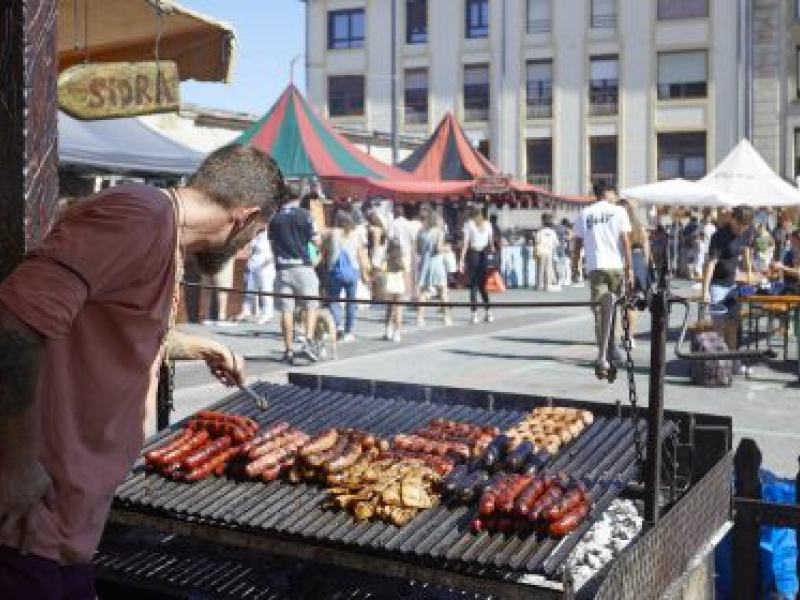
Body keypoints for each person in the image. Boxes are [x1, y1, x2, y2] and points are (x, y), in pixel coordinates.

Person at [0, 144, 284, 598]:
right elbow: (13, 321)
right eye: (257, 234)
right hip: (32, 516)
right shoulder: (138, 217)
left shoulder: (161, 234)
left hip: (71, 517)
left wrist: (192, 345)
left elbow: (101, 328)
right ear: (244, 217)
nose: (249, 246)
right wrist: (15, 463)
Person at [572, 182, 633, 371]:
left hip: (596, 266)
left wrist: (575, 265)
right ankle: (610, 348)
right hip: (616, 266)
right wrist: (629, 268)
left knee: (600, 311)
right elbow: (626, 241)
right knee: (614, 308)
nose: (615, 195)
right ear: (606, 192)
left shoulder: (585, 213)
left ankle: (604, 350)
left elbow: (578, 243)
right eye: (613, 192)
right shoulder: (619, 212)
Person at [269, 189, 322, 365]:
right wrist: (316, 254)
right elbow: (316, 241)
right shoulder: (305, 215)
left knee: (286, 310)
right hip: (303, 266)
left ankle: (288, 350)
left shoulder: (274, 219)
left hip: (283, 268)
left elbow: (272, 245)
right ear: (297, 198)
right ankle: (307, 342)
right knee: (310, 305)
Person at [702, 205, 755, 373]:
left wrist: (749, 274)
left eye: (745, 226)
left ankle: (734, 363)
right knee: (719, 327)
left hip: (732, 285)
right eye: (740, 225)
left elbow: (746, 251)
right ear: (733, 219)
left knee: (733, 325)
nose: (742, 229)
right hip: (718, 285)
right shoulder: (719, 236)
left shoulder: (746, 232)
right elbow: (710, 264)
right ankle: (719, 363)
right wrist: (705, 290)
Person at [324, 211, 370, 343]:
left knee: (333, 300)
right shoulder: (356, 235)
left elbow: (325, 249)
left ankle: (338, 324)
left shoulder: (332, 234)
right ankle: (349, 332)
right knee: (351, 303)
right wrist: (365, 273)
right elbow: (361, 255)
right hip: (352, 272)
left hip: (335, 272)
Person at [619, 199, 650, 347]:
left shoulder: (620, 226)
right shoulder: (639, 227)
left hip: (623, 261)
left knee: (623, 302)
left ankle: (624, 334)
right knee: (632, 303)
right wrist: (644, 269)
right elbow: (647, 251)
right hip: (638, 262)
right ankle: (629, 336)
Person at [416, 209, 452, 326]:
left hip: (425, 263)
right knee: (443, 290)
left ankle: (420, 318)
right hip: (437, 263)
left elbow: (417, 249)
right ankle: (446, 318)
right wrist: (447, 248)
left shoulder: (421, 232)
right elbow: (438, 248)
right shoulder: (438, 232)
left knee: (423, 291)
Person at [236, 226, 275, 324]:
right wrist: (248, 265)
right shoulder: (256, 236)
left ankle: (267, 313)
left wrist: (269, 260)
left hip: (266, 267)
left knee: (266, 291)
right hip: (253, 266)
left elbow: (276, 250)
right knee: (250, 290)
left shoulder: (271, 234)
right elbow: (252, 252)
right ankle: (246, 311)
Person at [383, 239, 407, 342]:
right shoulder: (403, 260)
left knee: (389, 308)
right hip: (399, 284)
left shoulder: (386, 260)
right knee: (398, 309)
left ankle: (388, 330)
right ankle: (397, 332)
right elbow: (406, 274)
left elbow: (383, 272)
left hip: (389, 284)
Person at [534, 214, 560, 292]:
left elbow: (536, 241)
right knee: (548, 269)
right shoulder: (553, 232)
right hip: (549, 252)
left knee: (540, 269)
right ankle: (547, 285)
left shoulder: (539, 232)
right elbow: (556, 244)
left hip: (541, 251)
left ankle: (539, 285)